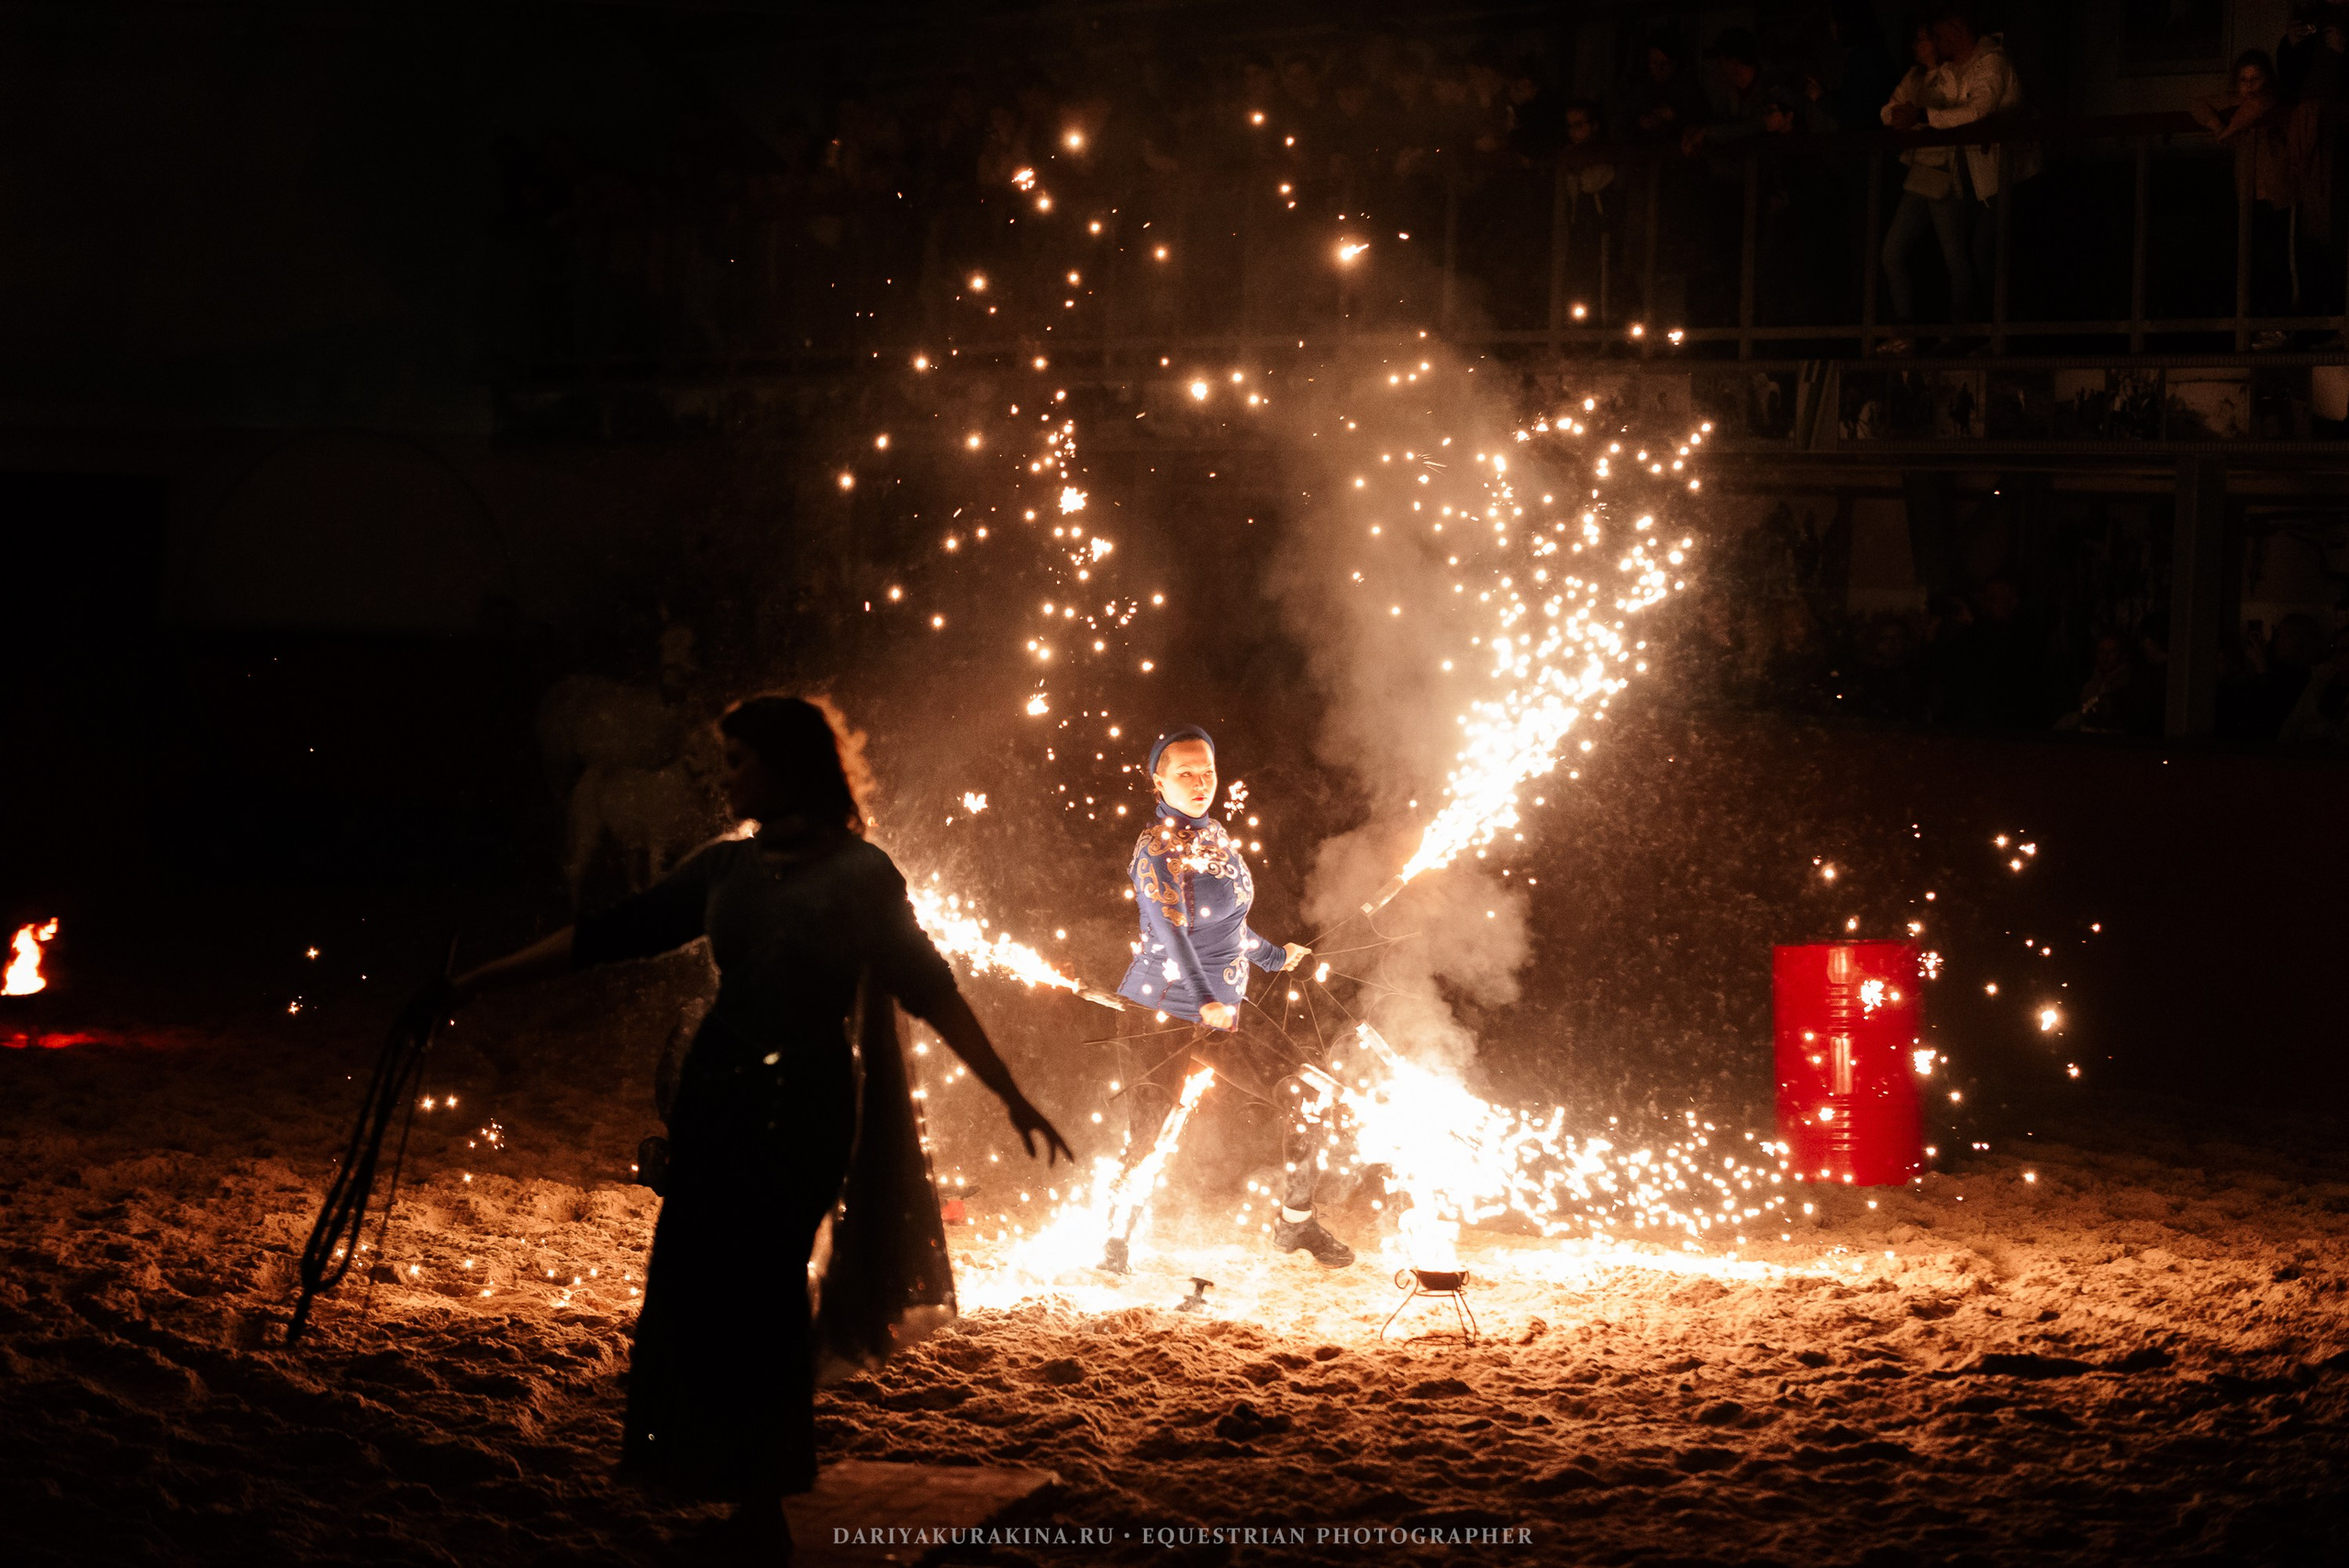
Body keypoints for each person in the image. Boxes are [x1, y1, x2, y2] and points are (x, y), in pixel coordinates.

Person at [444, 695, 1071, 1560]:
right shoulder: (723, 869)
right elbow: (611, 933)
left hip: (805, 1108)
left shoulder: (861, 874)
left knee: (769, 1289)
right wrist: (482, 977)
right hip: (716, 1100)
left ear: (788, 766)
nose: (725, 774)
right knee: (700, 1284)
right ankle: (739, 1488)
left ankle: (765, 1502)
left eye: (740, 759)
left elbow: (931, 987)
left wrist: (1010, 1093)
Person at [1101, 726, 1354, 1273]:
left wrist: (1271, 956)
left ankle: (1295, 1222)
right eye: (1185, 774)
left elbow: (1226, 922)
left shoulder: (1215, 833)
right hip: (1160, 1010)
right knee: (1148, 1136)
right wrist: (1203, 996)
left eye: (1207, 772)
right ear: (1158, 781)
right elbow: (1171, 932)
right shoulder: (1156, 850)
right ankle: (1113, 1247)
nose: (1199, 783)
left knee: (1308, 1091)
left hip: (1223, 1012)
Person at [1877, 24, 1957, 352]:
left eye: (1922, 38)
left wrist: (1917, 117)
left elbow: (1951, 112)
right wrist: (1898, 114)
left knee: (1952, 257)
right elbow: (1887, 110)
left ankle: (1957, 332)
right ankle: (1907, 331)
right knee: (1892, 253)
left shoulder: (1951, 74)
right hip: (1919, 172)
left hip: (1943, 171)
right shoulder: (1913, 77)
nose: (1915, 45)